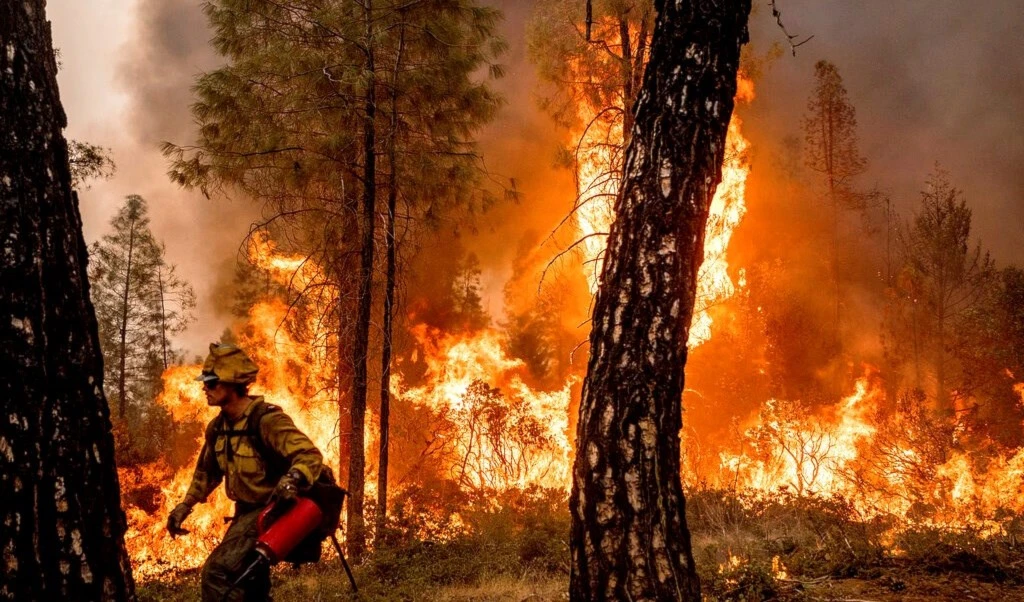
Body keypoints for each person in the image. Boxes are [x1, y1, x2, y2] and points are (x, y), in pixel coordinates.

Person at [166, 343, 324, 602]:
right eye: (205, 382)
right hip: (245, 514)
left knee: (217, 574)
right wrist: (185, 506)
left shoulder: (266, 420)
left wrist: (292, 479)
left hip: (273, 511)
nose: (205, 387)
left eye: (212, 382)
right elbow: (207, 473)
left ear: (232, 383)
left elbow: (309, 455)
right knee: (252, 587)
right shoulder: (218, 428)